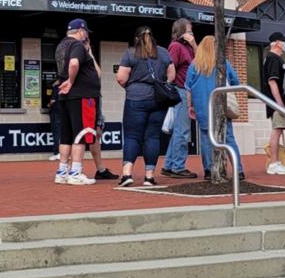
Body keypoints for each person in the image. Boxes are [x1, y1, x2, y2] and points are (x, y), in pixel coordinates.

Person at [54, 21, 116, 182]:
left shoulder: (61, 46)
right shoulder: (77, 46)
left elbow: (96, 72)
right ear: (81, 31)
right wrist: (71, 81)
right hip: (82, 96)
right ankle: (75, 172)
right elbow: (74, 63)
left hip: (66, 97)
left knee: (66, 136)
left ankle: (62, 172)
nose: (87, 36)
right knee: (81, 134)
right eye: (86, 32)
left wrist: (89, 53)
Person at [116, 26, 175, 187]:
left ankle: (127, 174)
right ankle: (149, 176)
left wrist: (131, 87)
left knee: (132, 136)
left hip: (135, 99)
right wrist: (162, 85)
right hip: (158, 100)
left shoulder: (131, 53)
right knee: (152, 137)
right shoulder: (163, 53)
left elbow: (121, 78)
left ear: (136, 39)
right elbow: (172, 75)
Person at [185, 35, 244, 180]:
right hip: (221, 106)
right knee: (229, 138)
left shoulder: (194, 65)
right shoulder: (223, 63)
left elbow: (188, 88)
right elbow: (236, 82)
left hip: (202, 107)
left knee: (206, 139)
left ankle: (208, 170)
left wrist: (190, 107)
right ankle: (238, 170)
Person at [161, 19, 198, 180]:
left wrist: (194, 44)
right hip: (180, 91)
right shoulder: (176, 47)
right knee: (182, 131)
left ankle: (169, 165)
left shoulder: (189, 48)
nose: (191, 34)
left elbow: (200, 63)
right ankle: (178, 166)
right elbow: (170, 68)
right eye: (189, 31)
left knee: (179, 130)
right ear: (181, 31)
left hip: (187, 91)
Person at [260, 32, 285, 176]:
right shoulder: (273, 59)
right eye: (284, 42)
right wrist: (279, 104)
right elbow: (272, 81)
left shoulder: (275, 59)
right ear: (278, 43)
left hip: (279, 102)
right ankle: (274, 163)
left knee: (278, 130)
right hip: (276, 102)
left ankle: (276, 162)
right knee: (277, 129)